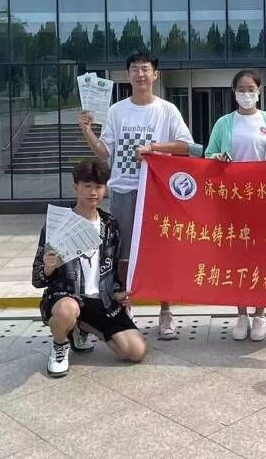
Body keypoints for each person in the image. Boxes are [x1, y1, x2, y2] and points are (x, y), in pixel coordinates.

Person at [78, 51, 194, 340]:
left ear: (155, 74)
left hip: (157, 191)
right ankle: (126, 310)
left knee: (161, 251)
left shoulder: (167, 110)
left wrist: (153, 149)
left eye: (145, 69)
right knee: (123, 254)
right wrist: (87, 131)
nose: (140, 74)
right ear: (127, 74)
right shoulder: (117, 111)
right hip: (123, 190)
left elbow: (187, 146)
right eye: (134, 69)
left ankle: (165, 312)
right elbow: (104, 153)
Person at [205, 69, 266, 342]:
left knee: (262, 256)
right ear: (233, 92)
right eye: (241, 89)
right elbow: (208, 154)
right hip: (234, 201)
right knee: (237, 257)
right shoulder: (224, 123)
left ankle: (260, 315)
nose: (246, 93)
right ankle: (241, 314)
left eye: (251, 89)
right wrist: (217, 157)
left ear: (259, 91)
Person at [32, 158, 145, 377]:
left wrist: (118, 294)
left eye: (99, 186)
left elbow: (112, 270)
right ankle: (60, 345)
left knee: (135, 351)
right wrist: (48, 268)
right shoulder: (58, 223)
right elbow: (37, 279)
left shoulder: (110, 224)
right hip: (66, 296)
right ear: (76, 187)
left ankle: (81, 326)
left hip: (101, 301)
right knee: (66, 311)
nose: (93, 192)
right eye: (87, 186)